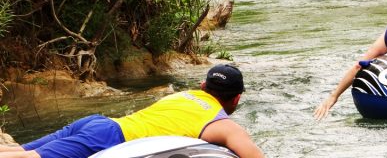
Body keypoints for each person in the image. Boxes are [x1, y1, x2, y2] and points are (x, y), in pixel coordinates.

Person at [0, 64, 264, 158]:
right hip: (110, 140)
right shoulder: (222, 124)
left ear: (202, 85)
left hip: (98, 123)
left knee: (20, 150)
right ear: (237, 98)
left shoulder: (183, 95)